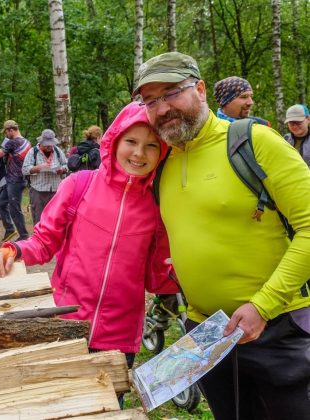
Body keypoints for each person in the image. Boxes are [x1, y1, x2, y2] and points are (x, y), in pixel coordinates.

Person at [134, 51, 310, 419]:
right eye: (150, 101)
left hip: (277, 331)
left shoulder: (253, 142)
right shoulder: (164, 163)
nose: (162, 108)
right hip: (208, 334)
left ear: (200, 89)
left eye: (170, 93)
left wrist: (263, 306)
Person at [0, 103, 177, 373]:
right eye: (131, 141)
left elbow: (157, 277)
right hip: (66, 322)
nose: (138, 153)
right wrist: (13, 251)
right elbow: (43, 241)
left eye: (151, 146)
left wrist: (187, 272)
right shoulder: (80, 185)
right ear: (114, 141)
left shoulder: (159, 206)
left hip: (119, 339)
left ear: (163, 152)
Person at [0, 120, 32, 242]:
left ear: (11, 130)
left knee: (14, 207)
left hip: (15, 180)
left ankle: (24, 235)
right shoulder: (27, 142)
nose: (5, 135)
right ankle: (10, 229)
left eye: (6, 132)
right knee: (1, 202)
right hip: (17, 179)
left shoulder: (13, 142)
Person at [22, 129, 68, 225]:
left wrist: (62, 170)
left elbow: (66, 165)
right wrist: (37, 168)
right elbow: (24, 169)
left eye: (51, 144)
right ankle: (39, 239)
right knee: (38, 220)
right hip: (38, 191)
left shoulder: (58, 151)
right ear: (41, 142)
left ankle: (52, 239)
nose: (49, 147)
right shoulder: (32, 152)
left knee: (54, 219)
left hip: (55, 191)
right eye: (47, 144)